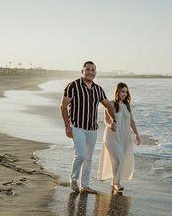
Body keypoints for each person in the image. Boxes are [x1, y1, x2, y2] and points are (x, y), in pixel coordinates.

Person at [60, 61, 116, 194]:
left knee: (89, 158)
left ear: (95, 73)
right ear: (82, 71)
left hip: (92, 128)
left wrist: (114, 119)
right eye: (88, 70)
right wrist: (67, 126)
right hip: (77, 126)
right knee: (81, 154)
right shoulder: (72, 86)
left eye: (93, 70)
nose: (90, 72)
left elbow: (108, 105)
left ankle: (85, 185)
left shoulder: (98, 89)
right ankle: (73, 179)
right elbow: (63, 106)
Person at [97, 82, 141, 192]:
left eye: (126, 92)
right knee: (119, 159)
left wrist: (136, 134)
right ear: (117, 92)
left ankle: (114, 182)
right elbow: (106, 120)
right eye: (122, 91)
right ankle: (117, 183)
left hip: (124, 137)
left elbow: (131, 121)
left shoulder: (126, 106)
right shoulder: (110, 104)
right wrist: (110, 125)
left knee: (119, 160)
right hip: (112, 136)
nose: (124, 94)